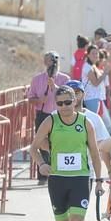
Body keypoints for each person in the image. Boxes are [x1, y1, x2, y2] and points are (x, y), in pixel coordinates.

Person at [29, 85, 104, 221]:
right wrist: (43, 164)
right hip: (57, 179)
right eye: (60, 103)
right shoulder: (50, 121)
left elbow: (95, 154)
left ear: (75, 101)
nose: (64, 107)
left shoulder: (85, 122)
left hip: (80, 178)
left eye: (68, 102)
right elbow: (33, 147)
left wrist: (98, 180)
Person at [26, 51, 71, 184]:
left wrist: (56, 88)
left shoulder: (65, 79)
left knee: (59, 142)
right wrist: (40, 100)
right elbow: (30, 98)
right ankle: (43, 175)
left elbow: (69, 97)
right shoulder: (37, 79)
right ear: (45, 62)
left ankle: (59, 171)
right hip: (43, 115)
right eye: (49, 60)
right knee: (41, 143)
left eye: (54, 60)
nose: (52, 63)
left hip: (60, 115)